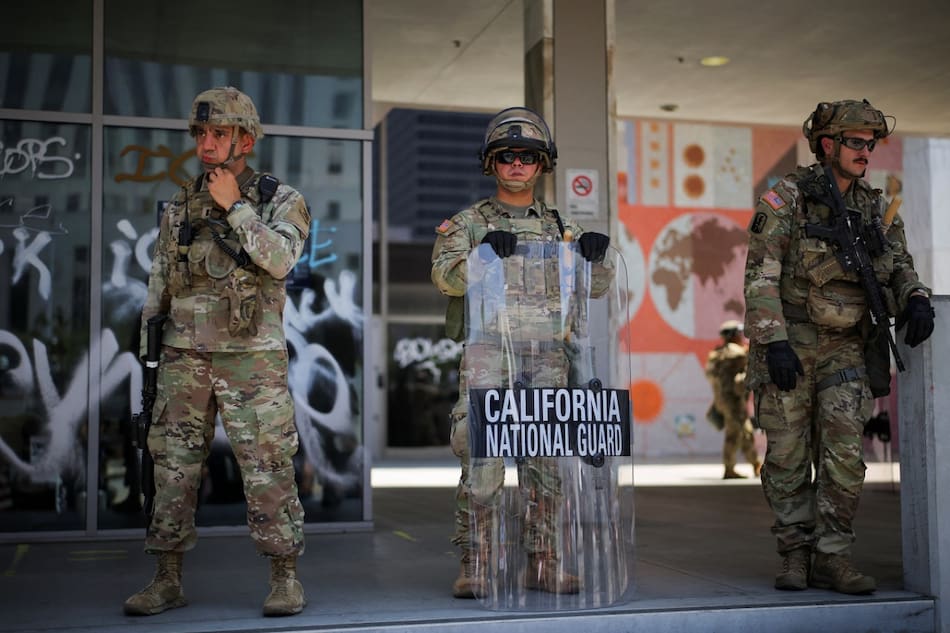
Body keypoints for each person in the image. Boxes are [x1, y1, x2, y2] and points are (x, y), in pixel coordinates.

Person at [124, 87, 311, 617]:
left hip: (251, 361)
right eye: (201, 134)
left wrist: (236, 208)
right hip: (184, 358)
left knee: (267, 468)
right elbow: (159, 283)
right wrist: (150, 357)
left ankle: (284, 577)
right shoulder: (182, 201)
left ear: (245, 140)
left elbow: (279, 261)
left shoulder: (281, 199)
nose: (206, 144)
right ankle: (166, 578)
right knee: (172, 470)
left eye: (219, 134)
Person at [743, 99, 935, 596]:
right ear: (827, 144)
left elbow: (898, 263)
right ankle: (795, 555)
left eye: (871, 143)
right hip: (791, 340)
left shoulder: (874, 206)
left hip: (846, 347)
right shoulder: (786, 200)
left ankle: (833, 557)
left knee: (845, 457)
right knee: (786, 455)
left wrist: (915, 297)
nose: (865, 150)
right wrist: (775, 341)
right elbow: (761, 276)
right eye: (855, 141)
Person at [431, 107, 614, 599]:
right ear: (491, 164)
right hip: (490, 352)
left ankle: (545, 561)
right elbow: (444, 277)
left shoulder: (563, 228)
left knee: (547, 465)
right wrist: (482, 253)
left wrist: (597, 257)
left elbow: (594, 289)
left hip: (548, 355)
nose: (517, 164)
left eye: (527, 157)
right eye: (506, 156)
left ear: (542, 165)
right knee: (483, 462)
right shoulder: (468, 224)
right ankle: (477, 562)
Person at [704, 320, 761, 479]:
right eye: (739, 334)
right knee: (735, 434)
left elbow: (710, 376)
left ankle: (755, 464)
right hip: (734, 401)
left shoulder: (716, 355)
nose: (741, 337)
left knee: (745, 432)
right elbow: (750, 360)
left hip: (723, 401)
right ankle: (732, 468)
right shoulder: (736, 353)